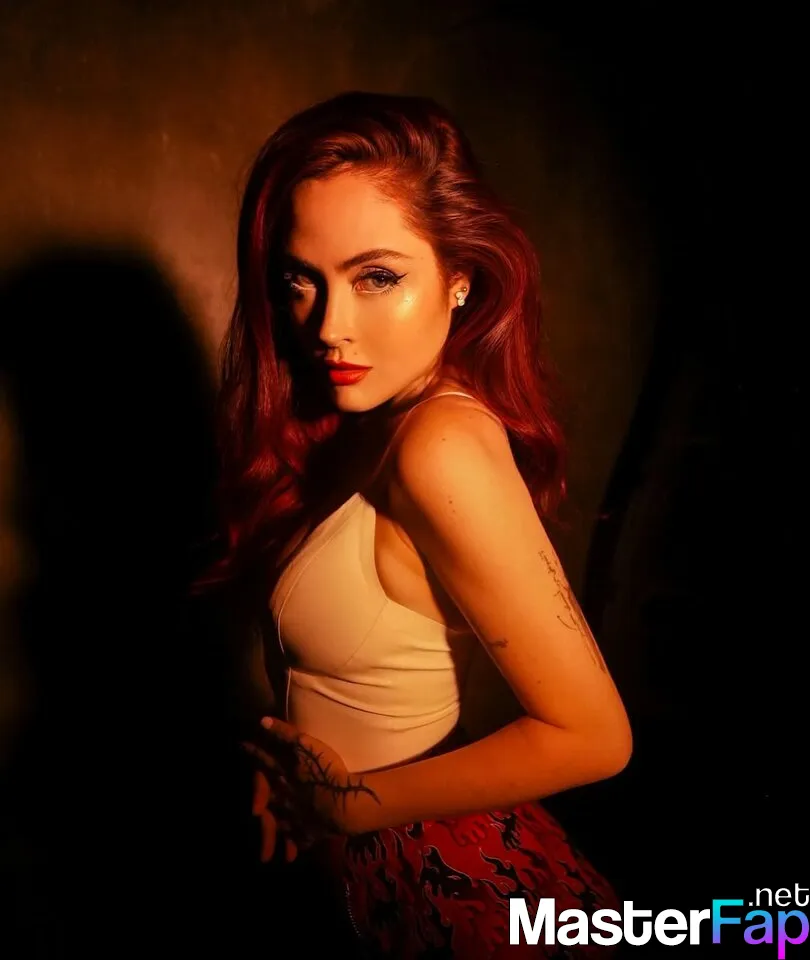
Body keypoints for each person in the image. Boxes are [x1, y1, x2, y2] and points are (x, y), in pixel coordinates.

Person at [200, 90, 632, 958]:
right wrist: (292, 780)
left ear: (459, 276)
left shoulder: (441, 445)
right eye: (301, 280)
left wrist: (347, 804)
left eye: (377, 277)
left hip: (443, 881)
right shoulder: (367, 421)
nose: (329, 326)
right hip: (366, 867)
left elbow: (596, 737)